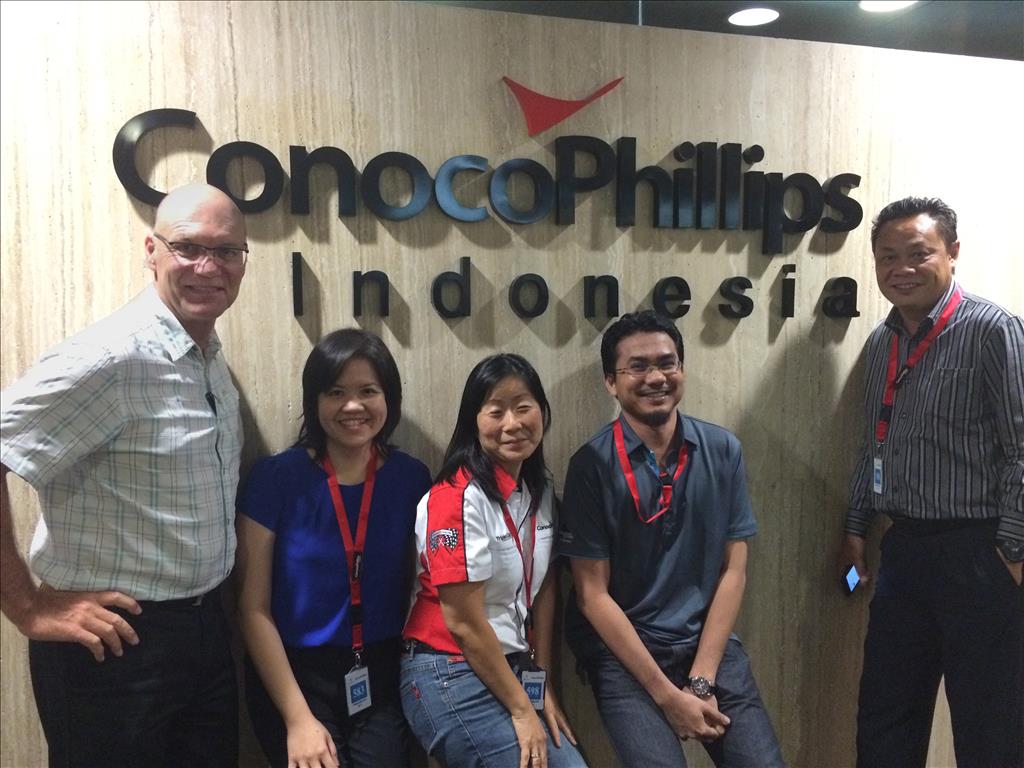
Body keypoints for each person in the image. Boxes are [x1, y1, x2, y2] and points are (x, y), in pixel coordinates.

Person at [0, 183, 248, 767]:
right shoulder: (110, 357)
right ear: (151, 250)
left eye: (226, 251)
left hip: (205, 629)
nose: (208, 267)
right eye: (188, 247)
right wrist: (26, 606)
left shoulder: (207, 355)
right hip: (115, 645)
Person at [839, 196, 1023, 768]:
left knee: (990, 728)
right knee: (885, 716)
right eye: (888, 256)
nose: (902, 268)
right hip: (904, 552)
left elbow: (1022, 449)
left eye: (918, 253)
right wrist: (856, 529)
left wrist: (1013, 551)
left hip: (980, 553)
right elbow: (875, 442)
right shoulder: (882, 342)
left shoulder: (993, 330)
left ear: (953, 252)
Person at [558, 310, 784, 768]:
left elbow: (733, 570)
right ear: (611, 382)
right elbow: (591, 595)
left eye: (667, 363)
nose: (656, 377)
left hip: (705, 643)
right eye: (637, 367)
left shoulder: (722, 450)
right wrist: (667, 696)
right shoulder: (591, 465)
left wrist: (701, 680)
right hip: (627, 651)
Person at [237, 328, 431, 768]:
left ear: (389, 398)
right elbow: (251, 609)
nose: (353, 406)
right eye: (336, 392)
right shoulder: (274, 479)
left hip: (381, 673)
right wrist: (297, 719)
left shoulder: (412, 478)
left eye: (368, 391)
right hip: (293, 676)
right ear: (315, 400)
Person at [401, 354, 586, 768]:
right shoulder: (454, 498)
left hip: (509, 668)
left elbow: (544, 587)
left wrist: (541, 682)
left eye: (523, 407)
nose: (512, 423)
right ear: (474, 421)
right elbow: (463, 623)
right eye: (496, 411)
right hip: (447, 669)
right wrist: (522, 711)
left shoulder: (539, 492)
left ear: (543, 413)